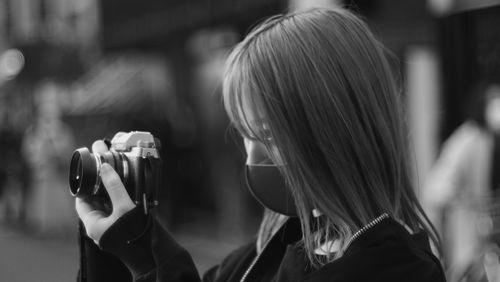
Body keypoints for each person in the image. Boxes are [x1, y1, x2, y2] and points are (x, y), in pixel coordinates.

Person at [76, 7, 446, 282]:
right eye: (245, 135)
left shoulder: (399, 270)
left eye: (267, 135)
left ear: (331, 133)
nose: (253, 157)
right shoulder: (282, 241)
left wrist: (146, 256)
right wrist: (112, 246)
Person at [423, 81, 500, 281]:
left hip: (481, 229)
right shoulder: (467, 139)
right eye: (493, 100)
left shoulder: (487, 139)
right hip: (464, 226)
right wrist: (465, 200)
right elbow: (436, 189)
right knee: (464, 271)